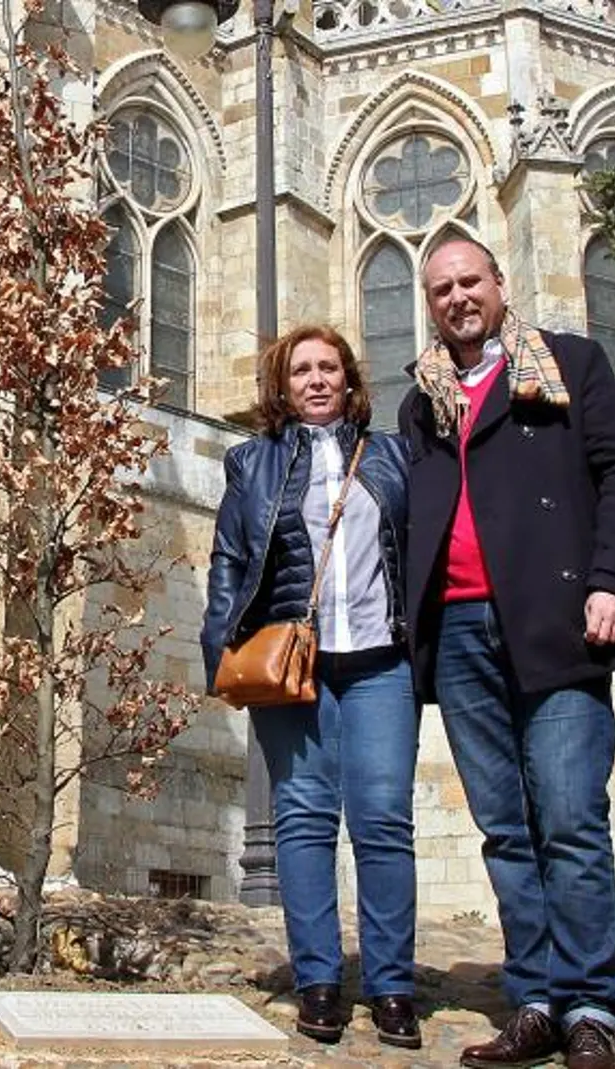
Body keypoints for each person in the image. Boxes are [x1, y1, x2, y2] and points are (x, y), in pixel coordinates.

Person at [399, 237, 615, 1069]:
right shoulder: (422, 399)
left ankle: (592, 1002)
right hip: (458, 630)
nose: (456, 298)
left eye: (469, 281)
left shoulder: (568, 364)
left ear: (499, 283)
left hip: (557, 617)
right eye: (441, 288)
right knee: (504, 828)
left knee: (569, 817)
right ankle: (536, 996)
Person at [200, 325, 420, 1049]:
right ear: (282, 385)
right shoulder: (253, 462)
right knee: (302, 816)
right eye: (302, 370)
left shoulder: (390, 455)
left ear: (350, 380)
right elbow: (230, 559)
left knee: (384, 820)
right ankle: (319, 978)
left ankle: (391, 985)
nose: (317, 379)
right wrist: (220, 649)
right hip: (295, 662)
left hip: (381, 661)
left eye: (329, 367)